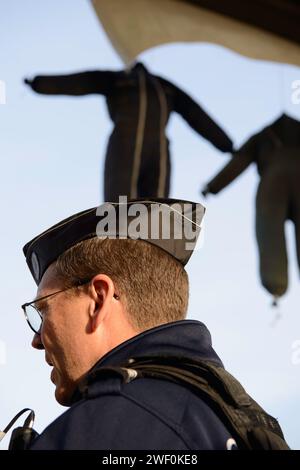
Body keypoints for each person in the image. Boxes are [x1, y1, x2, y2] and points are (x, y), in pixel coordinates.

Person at [21, 198, 288, 450]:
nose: (36, 340)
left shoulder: (104, 429)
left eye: (43, 311)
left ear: (99, 300)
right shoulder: (240, 423)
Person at [24, 63, 233, 201]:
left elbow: (195, 113)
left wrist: (225, 143)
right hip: (124, 143)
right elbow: (80, 82)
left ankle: (153, 254)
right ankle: (117, 251)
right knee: (119, 203)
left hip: (158, 147)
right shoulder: (116, 78)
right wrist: (40, 83)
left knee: (156, 206)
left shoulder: (163, 86)